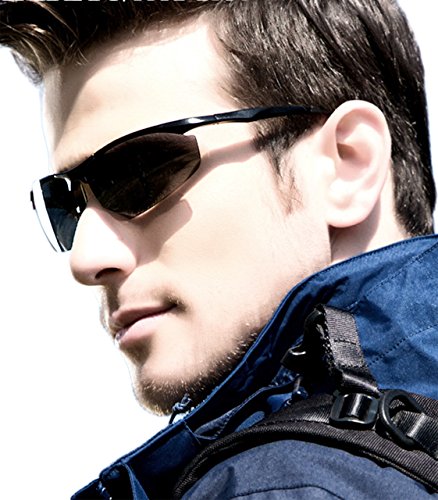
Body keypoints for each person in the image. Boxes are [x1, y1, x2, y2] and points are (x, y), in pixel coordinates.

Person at [1, 0, 437, 498]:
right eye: (66, 205)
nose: (85, 259)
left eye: (140, 174)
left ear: (347, 164)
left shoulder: (274, 488)